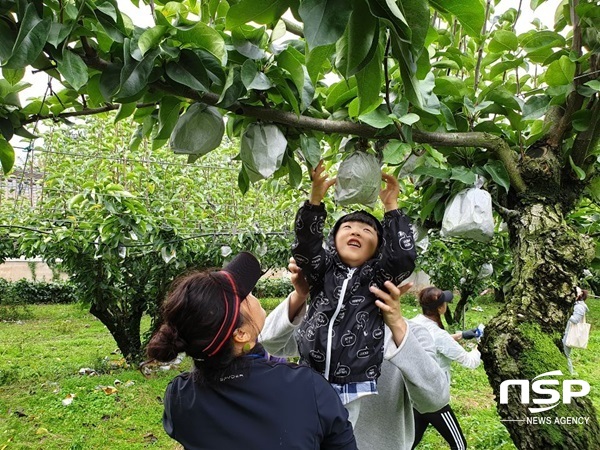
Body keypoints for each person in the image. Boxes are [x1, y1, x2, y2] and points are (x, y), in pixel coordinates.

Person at [146, 252, 357, 450]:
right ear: (240, 334)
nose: (252, 295)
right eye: (246, 295)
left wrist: (299, 296)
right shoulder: (308, 388)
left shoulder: (179, 398)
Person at [260, 258, 449, 450]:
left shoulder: (412, 334)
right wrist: (300, 296)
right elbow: (271, 342)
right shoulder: (324, 321)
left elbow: (434, 399)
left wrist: (396, 325)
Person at [292, 160, 417, 424]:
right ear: (334, 240)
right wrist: (314, 201)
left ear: (379, 247)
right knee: (302, 434)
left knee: (339, 436)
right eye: (347, 228)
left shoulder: (378, 277)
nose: (356, 231)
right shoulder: (322, 268)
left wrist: (391, 208)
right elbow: (305, 246)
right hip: (308, 374)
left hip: (352, 383)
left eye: (366, 230)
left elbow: (402, 257)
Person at [409, 287, 482, 450]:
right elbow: (470, 362)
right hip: (433, 397)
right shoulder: (439, 335)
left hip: (415, 393)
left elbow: (431, 341)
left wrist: (461, 335)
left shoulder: (414, 323)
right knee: (459, 445)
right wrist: (481, 346)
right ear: (440, 308)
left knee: (409, 443)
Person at [563, 286, 590, 374]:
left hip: (570, 333)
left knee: (566, 354)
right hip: (568, 332)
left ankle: (570, 372)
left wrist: (566, 313)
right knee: (565, 353)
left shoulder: (579, 307)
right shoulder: (577, 305)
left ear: (578, 296)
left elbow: (575, 320)